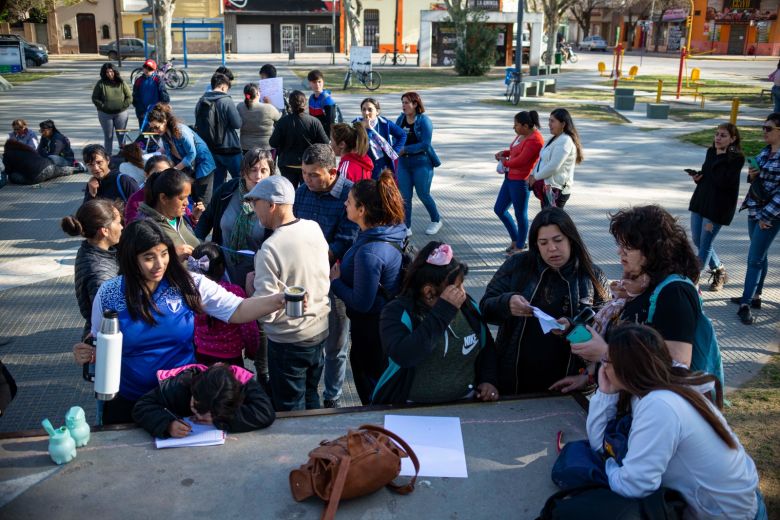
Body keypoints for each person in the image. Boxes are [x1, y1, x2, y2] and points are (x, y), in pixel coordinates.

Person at [72, 219, 286, 424]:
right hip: (127, 399)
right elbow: (98, 339)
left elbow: (238, 309)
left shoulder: (188, 284)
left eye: (164, 254)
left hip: (180, 396)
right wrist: (86, 352)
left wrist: (279, 300)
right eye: (149, 257)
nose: (159, 264)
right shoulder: (109, 293)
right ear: (131, 259)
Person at [587, 323, 764, 520]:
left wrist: (609, 465)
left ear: (625, 368)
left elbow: (633, 486)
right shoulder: (666, 379)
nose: (603, 367)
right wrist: (606, 394)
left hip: (726, 514)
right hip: (736, 502)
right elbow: (599, 443)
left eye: (605, 360)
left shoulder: (659, 404)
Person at [480, 208, 608, 394]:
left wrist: (571, 331)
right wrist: (506, 303)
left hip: (568, 383)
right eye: (543, 242)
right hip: (514, 379)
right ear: (536, 244)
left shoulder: (592, 276)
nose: (552, 248)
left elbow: (603, 335)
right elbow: (485, 308)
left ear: (571, 239)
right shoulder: (518, 265)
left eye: (558, 240)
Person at [568, 205, 707, 375]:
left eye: (628, 247)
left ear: (653, 249)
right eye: (620, 244)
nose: (620, 252)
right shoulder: (634, 286)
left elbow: (677, 365)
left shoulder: (675, 293)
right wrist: (588, 376)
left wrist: (606, 353)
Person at [374, 242, 499, 405]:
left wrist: (489, 380)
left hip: (466, 403)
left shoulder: (468, 307)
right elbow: (404, 356)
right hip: (409, 408)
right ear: (429, 292)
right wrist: (443, 312)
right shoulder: (396, 312)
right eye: (455, 287)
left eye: (462, 285)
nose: (462, 293)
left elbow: (487, 348)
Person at [247, 176, 331, 411]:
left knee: (289, 407)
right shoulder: (313, 227)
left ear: (271, 205)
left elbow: (267, 313)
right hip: (319, 329)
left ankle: (297, 447)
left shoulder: (269, 249)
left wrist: (251, 289)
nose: (255, 211)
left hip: (288, 340)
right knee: (312, 394)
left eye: (256, 203)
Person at [329, 170, 406, 404]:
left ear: (362, 210)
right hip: (384, 323)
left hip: (372, 330)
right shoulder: (391, 230)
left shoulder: (370, 252)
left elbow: (363, 303)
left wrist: (335, 282)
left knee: (371, 383)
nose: (345, 203)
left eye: (349, 201)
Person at [294, 144, 358, 408]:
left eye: (314, 175)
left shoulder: (350, 195)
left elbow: (347, 238)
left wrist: (317, 259)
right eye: (305, 174)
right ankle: (310, 393)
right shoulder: (302, 192)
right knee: (307, 339)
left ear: (332, 172)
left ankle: (332, 396)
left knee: (335, 344)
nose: (307, 180)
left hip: (335, 280)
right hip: (303, 277)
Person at [195, 147, 275, 288]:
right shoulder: (226, 191)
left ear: (271, 174)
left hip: (258, 274)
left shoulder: (275, 201)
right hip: (224, 270)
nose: (258, 176)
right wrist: (197, 245)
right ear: (244, 172)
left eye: (264, 171)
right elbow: (207, 218)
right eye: (253, 170)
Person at [133, 363, 275, 438]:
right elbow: (142, 406)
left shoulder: (243, 382)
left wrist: (220, 419)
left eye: (212, 414)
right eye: (197, 408)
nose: (201, 417)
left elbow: (265, 413)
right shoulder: (180, 385)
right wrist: (167, 424)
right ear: (193, 392)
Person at [733, 113, 780, 324]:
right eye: (763, 128)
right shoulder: (765, 152)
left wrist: (766, 216)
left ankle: (745, 303)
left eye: (768, 129)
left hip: (769, 215)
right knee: (760, 254)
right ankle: (757, 295)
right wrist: (752, 175)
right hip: (754, 210)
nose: (764, 132)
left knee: (754, 259)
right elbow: (754, 179)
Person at [688, 123, 745, 292]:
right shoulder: (711, 152)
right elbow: (709, 174)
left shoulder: (736, 159)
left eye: (723, 135)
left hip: (717, 208)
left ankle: (692, 282)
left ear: (733, 139)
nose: (718, 138)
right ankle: (719, 269)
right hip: (701, 202)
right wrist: (698, 177)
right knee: (698, 240)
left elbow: (723, 182)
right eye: (717, 134)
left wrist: (720, 157)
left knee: (705, 244)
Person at [188, 242, 260, 367]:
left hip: (200, 356)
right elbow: (249, 328)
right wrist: (252, 351)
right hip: (231, 359)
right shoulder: (234, 292)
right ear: (221, 267)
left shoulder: (189, 291)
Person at [61, 199, 122, 340]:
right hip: (104, 340)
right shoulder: (100, 275)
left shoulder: (90, 250)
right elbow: (109, 317)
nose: (122, 227)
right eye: (118, 223)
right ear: (104, 231)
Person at [494, 110, 544, 255]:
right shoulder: (522, 134)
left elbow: (522, 160)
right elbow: (515, 152)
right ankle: (516, 239)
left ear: (526, 126)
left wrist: (506, 162)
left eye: (516, 125)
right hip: (510, 178)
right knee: (499, 209)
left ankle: (520, 246)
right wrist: (504, 153)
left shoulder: (535, 140)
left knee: (520, 214)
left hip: (520, 181)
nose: (514, 127)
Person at [147, 103, 216, 205]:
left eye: (156, 127)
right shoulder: (165, 135)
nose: (154, 131)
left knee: (202, 201)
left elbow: (192, 154)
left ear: (165, 122)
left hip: (203, 167)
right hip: (189, 169)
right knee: (190, 197)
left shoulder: (181, 131)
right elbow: (171, 156)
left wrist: (175, 169)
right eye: (152, 128)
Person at [396, 92, 443, 236]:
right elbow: (395, 136)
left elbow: (425, 144)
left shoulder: (424, 121)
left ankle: (436, 220)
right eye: (402, 102)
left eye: (406, 103)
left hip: (422, 163)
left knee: (423, 194)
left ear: (415, 104)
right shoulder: (401, 119)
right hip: (404, 163)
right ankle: (406, 226)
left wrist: (405, 149)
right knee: (405, 196)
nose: (403, 106)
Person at [137, 167, 202, 262]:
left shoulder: (180, 217)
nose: (187, 203)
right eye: (182, 198)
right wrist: (171, 257)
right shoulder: (145, 228)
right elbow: (143, 267)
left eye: (188, 197)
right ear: (163, 198)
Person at [269, 90, 329, 189]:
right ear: (305, 104)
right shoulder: (314, 122)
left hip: (287, 165)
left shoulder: (282, 122)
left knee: (289, 194)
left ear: (290, 104)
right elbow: (325, 143)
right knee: (308, 194)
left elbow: (273, 143)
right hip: (309, 165)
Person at [195, 73, 242, 194]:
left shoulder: (201, 101)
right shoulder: (226, 101)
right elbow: (237, 124)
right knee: (241, 179)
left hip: (211, 149)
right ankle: (242, 204)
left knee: (217, 183)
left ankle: (218, 208)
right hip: (230, 148)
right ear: (223, 87)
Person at [527, 108, 583, 210]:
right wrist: (532, 174)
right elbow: (541, 160)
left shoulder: (565, 141)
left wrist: (536, 177)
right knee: (549, 221)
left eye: (552, 121)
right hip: (548, 188)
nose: (549, 124)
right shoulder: (553, 138)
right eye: (549, 120)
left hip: (557, 190)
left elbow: (553, 166)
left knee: (552, 222)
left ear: (563, 124)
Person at [353, 97, 406, 179]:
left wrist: (394, 151)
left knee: (382, 190)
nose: (366, 113)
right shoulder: (356, 125)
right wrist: (368, 130)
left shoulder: (384, 123)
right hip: (364, 166)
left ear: (377, 111)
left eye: (370, 109)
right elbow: (358, 145)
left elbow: (402, 135)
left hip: (382, 165)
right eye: (364, 110)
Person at [91, 62, 132, 155]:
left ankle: (123, 154)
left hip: (121, 114)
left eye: (111, 71)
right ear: (104, 73)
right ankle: (108, 155)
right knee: (108, 136)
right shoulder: (100, 84)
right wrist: (103, 106)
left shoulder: (121, 82)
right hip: (105, 114)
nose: (110, 74)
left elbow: (129, 97)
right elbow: (95, 98)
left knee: (121, 135)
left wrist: (122, 106)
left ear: (115, 71)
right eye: (107, 72)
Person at [125, 155, 173, 223]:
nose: (163, 177)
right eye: (158, 174)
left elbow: (187, 220)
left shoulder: (176, 194)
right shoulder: (136, 200)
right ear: (146, 175)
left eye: (167, 173)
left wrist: (193, 218)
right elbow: (132, 229)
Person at [237, 83, 281, 152]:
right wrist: (270, 104)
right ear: (258, 93)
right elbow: (279, 118)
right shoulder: (269, 107)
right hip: (266, 147)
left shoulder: (240, 107)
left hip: (246, 146)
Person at [131, 59, 169, 128]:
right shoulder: (138, 80)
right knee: (144, 134)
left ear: (154, 70)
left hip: (156, 113)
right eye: (145, 67)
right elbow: (135, 96)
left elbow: (164, 96)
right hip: (142, 113)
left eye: (150, 69)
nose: (147, 70)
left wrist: (161, 109)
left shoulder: (158, 80)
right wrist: (140, 109)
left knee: (156, 134)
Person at [307, 69, 337, 137]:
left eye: (319, 81)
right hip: (315, 133)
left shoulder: (327, 100)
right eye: (314, 82)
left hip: (325, 135)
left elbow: (331, 123)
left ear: (323, 82)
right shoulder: (311, 98)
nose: (317, 84)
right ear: (309, 83)